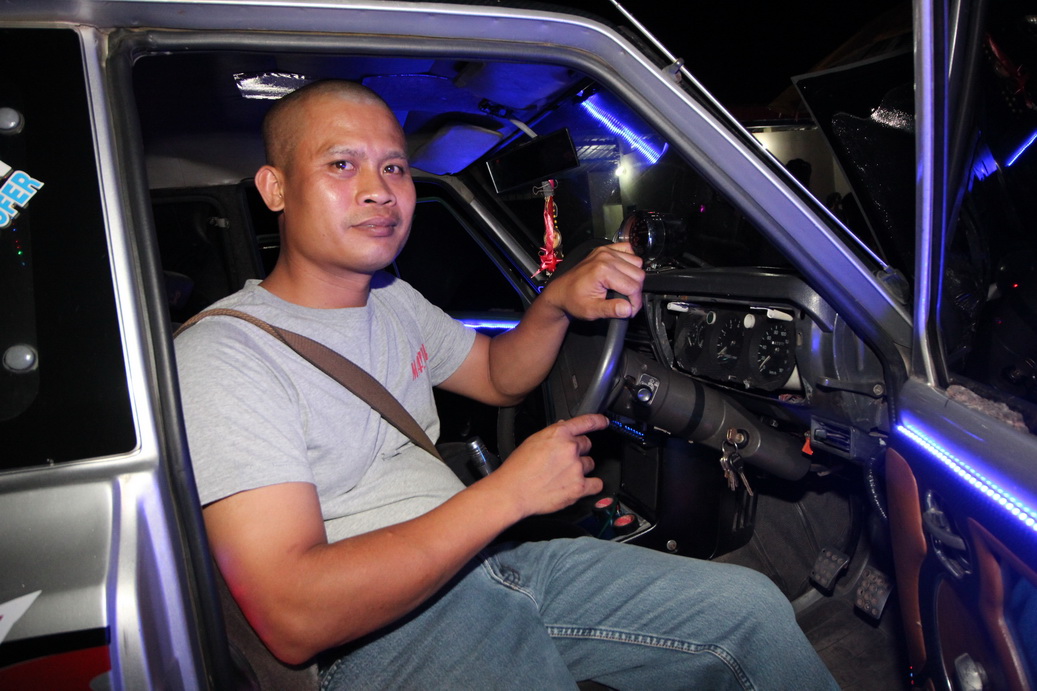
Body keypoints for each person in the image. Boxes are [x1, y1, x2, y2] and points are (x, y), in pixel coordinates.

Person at [175, 79, 838, 689]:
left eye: (395, 167)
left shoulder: (391, 299)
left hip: (486, 564)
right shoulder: (224, 354)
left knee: (747, 610)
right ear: (275, 188)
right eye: (341, 164)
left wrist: (555, 303)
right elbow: (295, 616)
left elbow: (497, 375)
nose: (379, 190)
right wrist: (508, 494)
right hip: (381, 632)